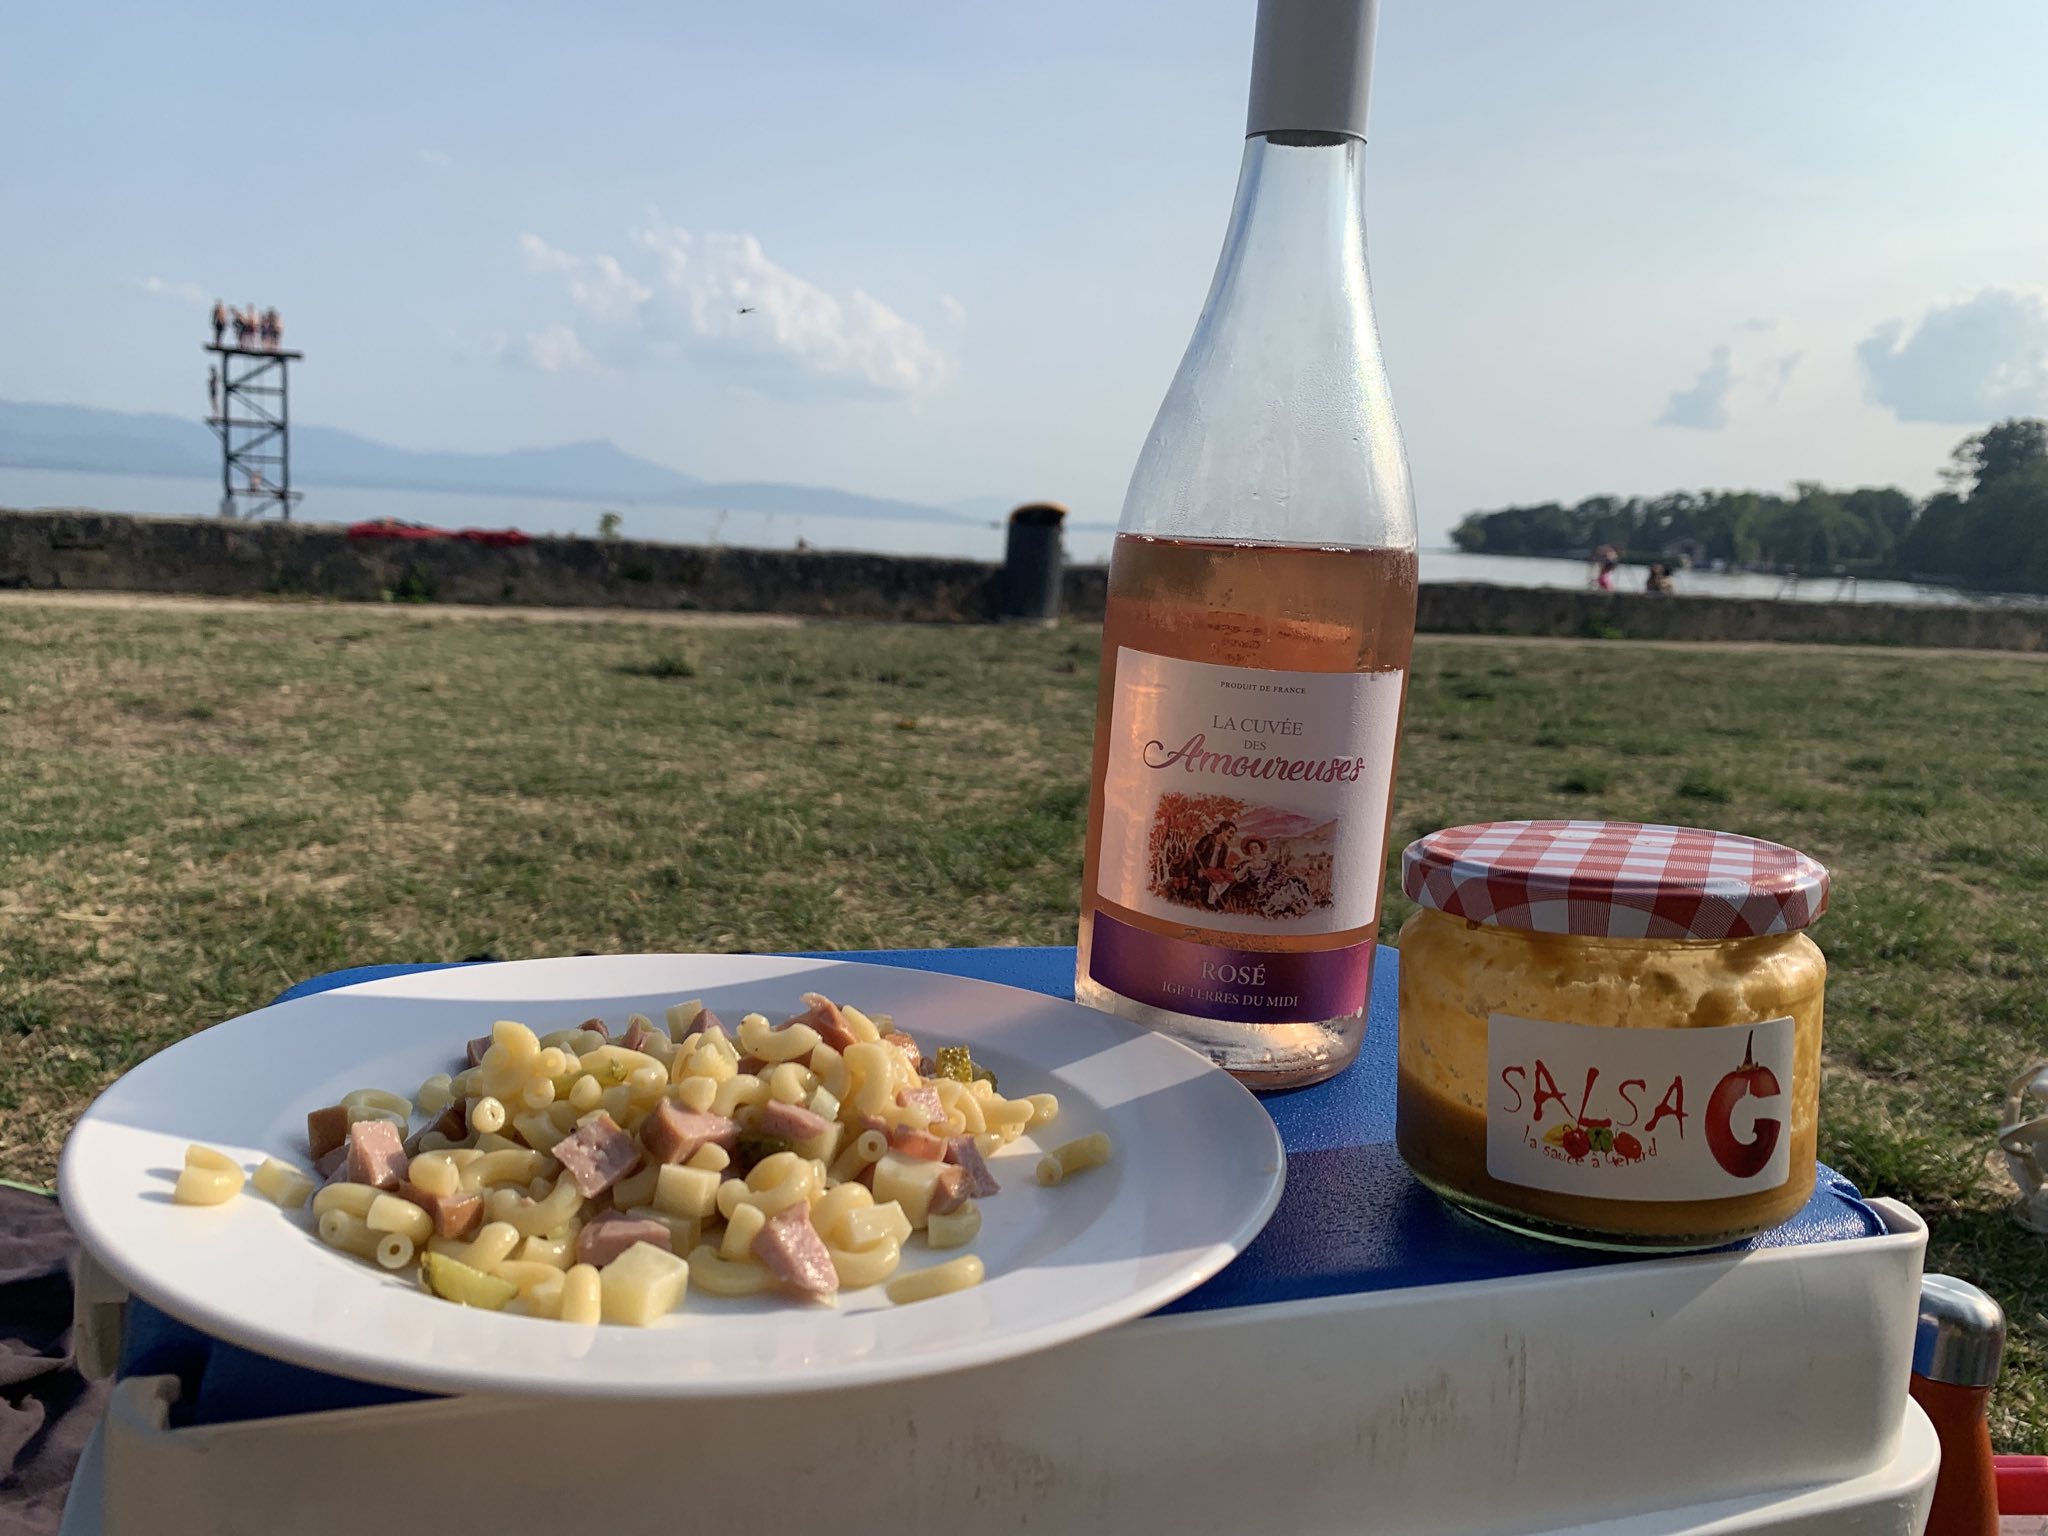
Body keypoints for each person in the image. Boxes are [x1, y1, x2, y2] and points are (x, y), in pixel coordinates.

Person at [1185, 819, 1237, 907]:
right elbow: (1197, 854)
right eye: (1230, 832)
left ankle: (1215, 896)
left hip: (1215, 869)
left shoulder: (1225, 847)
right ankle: (1211, 901)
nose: (1231, 836)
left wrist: (1226, 870)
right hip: (1205, 867)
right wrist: (1199, 869)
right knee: (1219, 878)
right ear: (1223, 830)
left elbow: (1221, 864)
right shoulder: (1209, 839)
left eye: (1233, 834)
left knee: (1231, 877)